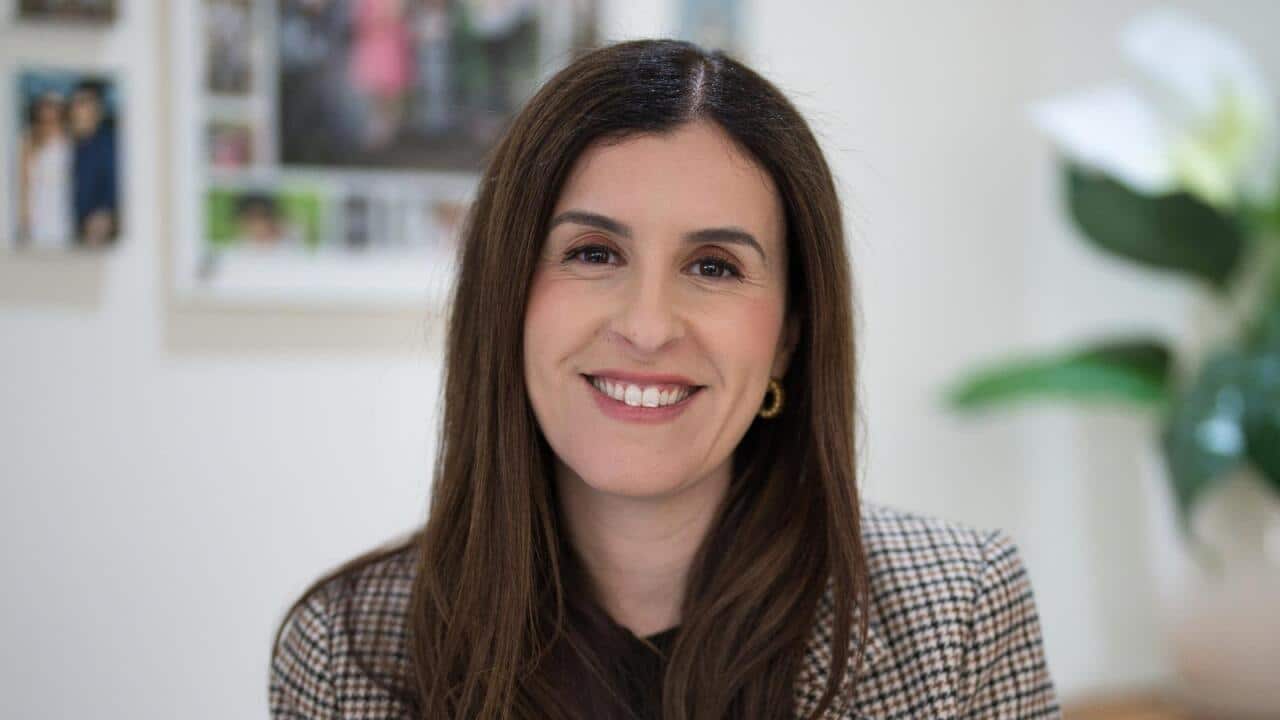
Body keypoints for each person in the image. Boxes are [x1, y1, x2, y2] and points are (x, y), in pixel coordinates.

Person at [269, 39, 1061, 719]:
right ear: (505, 296)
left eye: (713, 266)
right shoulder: (347, 649)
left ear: (789, 335)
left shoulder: (959, 612)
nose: (648, 326)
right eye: (593, 253)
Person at [17, 91, 73, 249]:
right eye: (45, 107)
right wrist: (24, 214)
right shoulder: (28, 139)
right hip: (37, 206)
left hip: (62, 206)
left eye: (53, 107)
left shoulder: (69, 139)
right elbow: (24, 181)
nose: (49, 113)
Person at [68, 79, 118, 247]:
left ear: (98, 109)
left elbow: (109, 204)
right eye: (73, 103)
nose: (75, 110)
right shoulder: (69, 144)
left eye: (82, 103)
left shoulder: (108, 146)